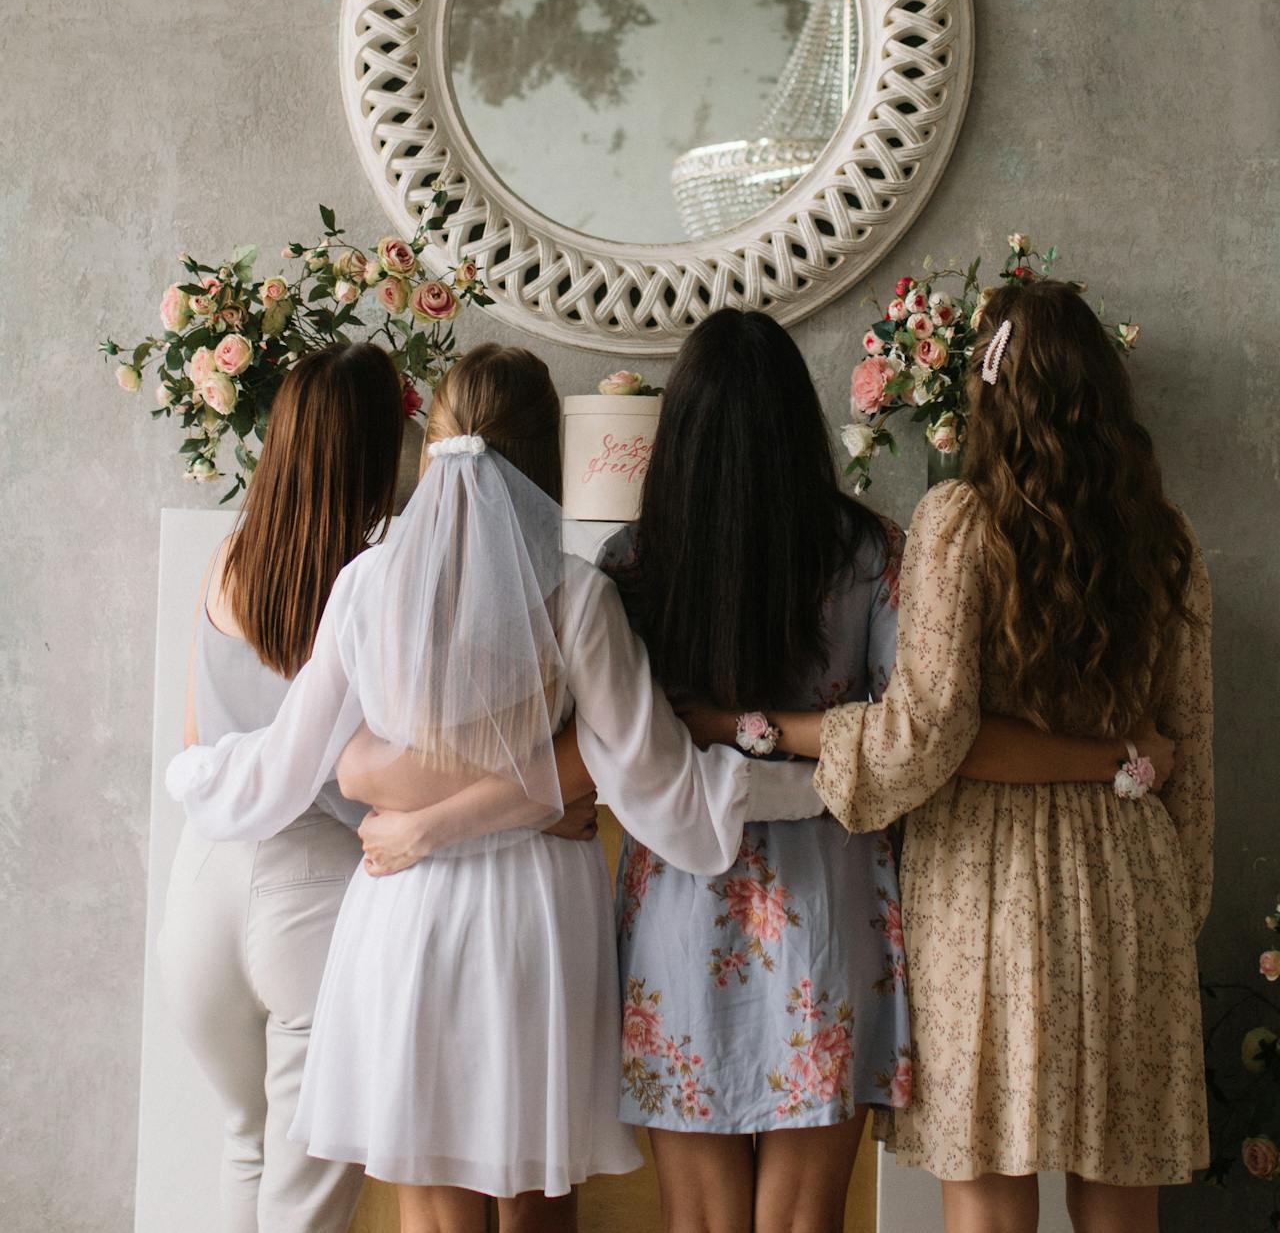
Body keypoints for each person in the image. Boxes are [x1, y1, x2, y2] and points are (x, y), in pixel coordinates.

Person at [166, 344, 827, 1233]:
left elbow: (287, 763)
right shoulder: (579, 597)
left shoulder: (365, 587)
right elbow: (660, 786)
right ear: (544, 461)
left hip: (402, 910)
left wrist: (195, 771)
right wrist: (814, 791)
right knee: (535, 1205)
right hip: (531, 917)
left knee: (430, 1208)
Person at [689, 280, 1212, 1233]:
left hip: (989, 892)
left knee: (988, 1191)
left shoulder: (961, 523)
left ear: (987, 389)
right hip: (1134, 881)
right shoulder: (1166, 539)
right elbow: (1191, 748)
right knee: (1122, 1193)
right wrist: (1174, 893)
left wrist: (756, 725)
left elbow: (922, 739)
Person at [158, 342, 403, 1233]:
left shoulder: (227, 560)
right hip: (312, 893)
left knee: (243, 1142)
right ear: (377, 459)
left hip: (201, 883)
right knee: (305, 1204)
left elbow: (195, 739)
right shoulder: (375, 586)